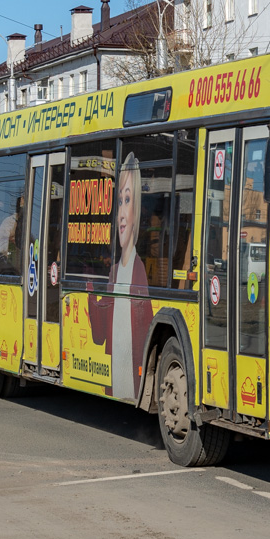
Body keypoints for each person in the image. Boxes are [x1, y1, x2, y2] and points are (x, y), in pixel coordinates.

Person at [88, 153, 152, 401]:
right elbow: (99, 335)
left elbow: (144, 338)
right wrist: (90, 289)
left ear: (136, 212)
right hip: (113, 384)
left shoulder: (139, 272)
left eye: (128, 200)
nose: (122, 214)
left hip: (131, 387)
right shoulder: (114, 272)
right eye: (119, 202)